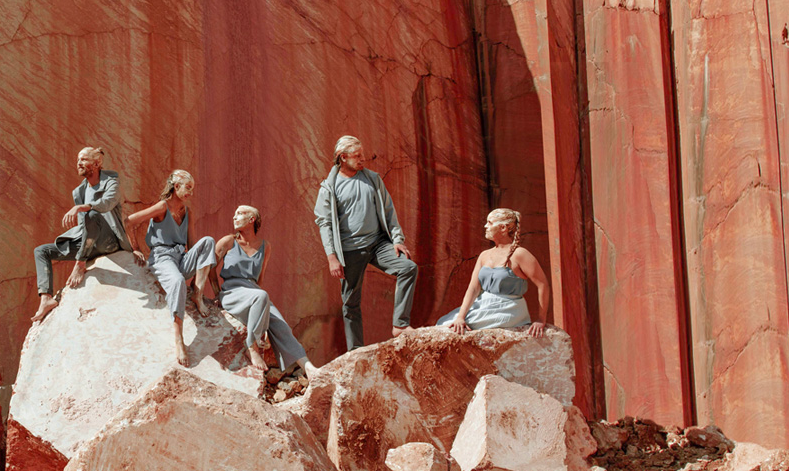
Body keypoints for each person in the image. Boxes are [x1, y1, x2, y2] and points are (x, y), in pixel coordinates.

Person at [313, 135, 417, 351]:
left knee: (408, 268)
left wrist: (397, 240)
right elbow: (324, 224)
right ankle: (355, 351)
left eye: (362, 154)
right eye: (357, 155)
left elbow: (389, 210)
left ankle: (400, 324)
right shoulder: (329, 188)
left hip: (378, 244)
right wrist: (332, 257)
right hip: (350, 250)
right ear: (343, 157)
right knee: (350, 303)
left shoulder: (372, 178)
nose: (363, 159)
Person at [32, 147, 133, 323]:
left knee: (92, 214)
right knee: (41, 251)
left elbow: (106, 204)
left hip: (108, 241)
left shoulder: (111, 182)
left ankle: (80, 264)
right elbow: (84, 225)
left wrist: (82, 207)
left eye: (84, 159)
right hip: (89, 242)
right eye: (78, 160)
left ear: (96, 163)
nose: (79, 163)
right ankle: (46, 299)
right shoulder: (79, 191)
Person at [127, 170, 216, 366]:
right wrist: (135, 248)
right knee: (176, 282)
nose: (190, 193)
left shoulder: (187, 212)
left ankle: (198, 294)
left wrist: (200, 263)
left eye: (192, 189)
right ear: (176, 187)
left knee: (208, 242)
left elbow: (192, 244)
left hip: (181, 258)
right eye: (188, 188)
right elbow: (129, 222)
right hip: (162, 257)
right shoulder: (162, 207)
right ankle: (179, 338)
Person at [216, 205, 314, 379]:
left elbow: (259, 279)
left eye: (239, 214)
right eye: (234, 213)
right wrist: (216, 292)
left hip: (254, 293)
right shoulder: (228, 241)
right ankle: (252, 347)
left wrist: (262, 308)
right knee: (262, 296)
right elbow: (208, 267)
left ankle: (308, 367)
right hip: (231, 291)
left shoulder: (265, 246)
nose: (234, 217)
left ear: (252, 219)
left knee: (281, 324)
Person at [441, 207, 551, 337]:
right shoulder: (484, 255)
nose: (485, 226)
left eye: (490, 223)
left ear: (503, 228)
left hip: (508, 308)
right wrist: (460, 317)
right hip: (484, 304)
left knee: (456, 330)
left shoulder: (519, 254)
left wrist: (541, 319)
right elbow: (473, 288)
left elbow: (542, 284)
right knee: (444, 322)